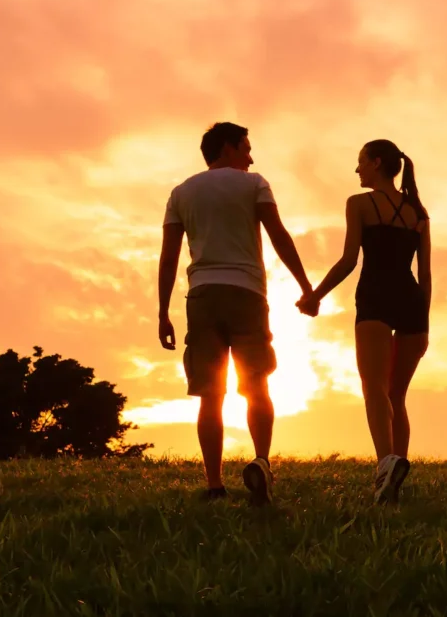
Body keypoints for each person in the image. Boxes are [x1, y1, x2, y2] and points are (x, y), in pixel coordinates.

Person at [157, 122, 315, 505]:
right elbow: (277, 233)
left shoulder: (181, 192)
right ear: (227, 148)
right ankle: (261, 462)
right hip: (246, 294)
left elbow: (169, 255)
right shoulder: (254, 183)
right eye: (246, 147)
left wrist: (163, 312)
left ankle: (214, 484)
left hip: (202, 297)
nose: (251, 156)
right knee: (257, 384)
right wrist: (305, 286)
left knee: (210, 395)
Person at [297, 139, 431, 504]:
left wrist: (314, 296)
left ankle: (385, 467)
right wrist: (426, 324)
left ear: (375, 163)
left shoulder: (359, 204)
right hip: (412, 301)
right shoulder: (417, 211)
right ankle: (395, 472)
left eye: (360, 163)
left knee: (373, 387)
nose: (357, 170)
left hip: (375, 296)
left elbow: (348, 261)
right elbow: (426, 273)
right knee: (396, 395)